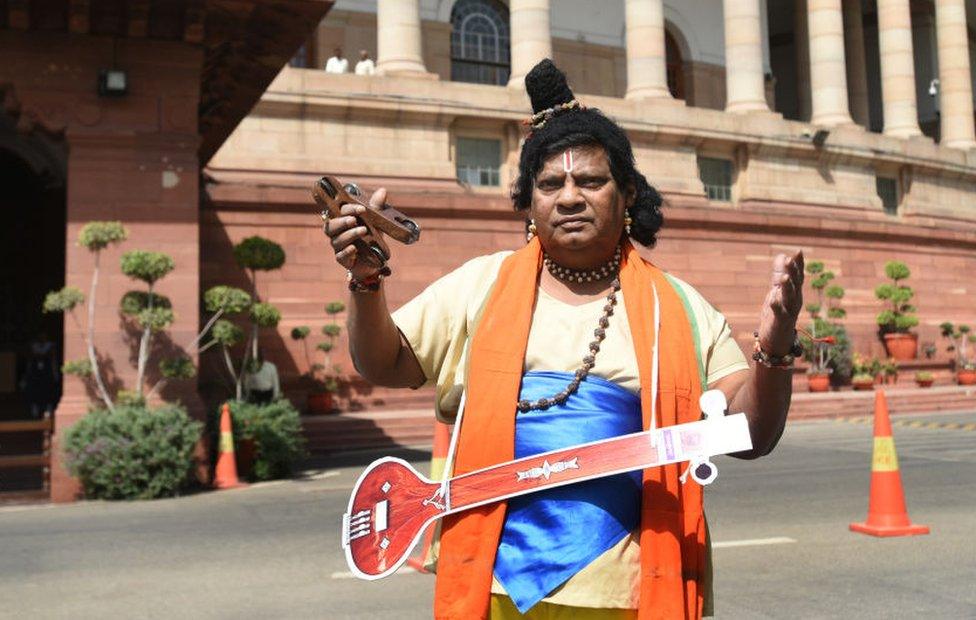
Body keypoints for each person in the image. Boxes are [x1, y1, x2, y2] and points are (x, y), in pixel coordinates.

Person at [323, 59, 804, 619]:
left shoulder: (679, 307)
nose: (569, 196)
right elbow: (384, 364)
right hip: (494, 588)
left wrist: (774, 349)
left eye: (590, 181)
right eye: (550, 183)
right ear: (530, 203)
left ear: (626, 196)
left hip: (627, 592)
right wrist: (365, 282)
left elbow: (751, 434)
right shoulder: (481, 285)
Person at [20, 332, 59, 419]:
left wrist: (55, 373)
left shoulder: (51, 346)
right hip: (35, 373)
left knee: (48, 390)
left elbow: (53, 360)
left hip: (47, 372)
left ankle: (48, 409)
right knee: (35, 390)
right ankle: (35, 409)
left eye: (44, 336)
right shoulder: (33, 346)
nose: (42, 338)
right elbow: (29, 360)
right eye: (40, 336)